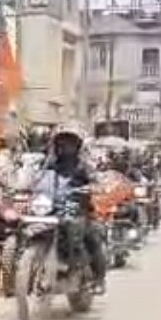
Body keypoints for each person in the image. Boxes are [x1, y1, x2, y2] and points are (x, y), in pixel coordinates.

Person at [42, 125, 109, 293]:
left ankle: (98, 278)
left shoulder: (83, 165)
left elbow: (97, 181)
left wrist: (90, 187)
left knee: (89, 236)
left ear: (77, 145)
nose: (65, 146)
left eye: (69, 143)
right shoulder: (50, 164)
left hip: (77, 206)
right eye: (62, 142)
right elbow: (38, 179)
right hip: (52, 205)